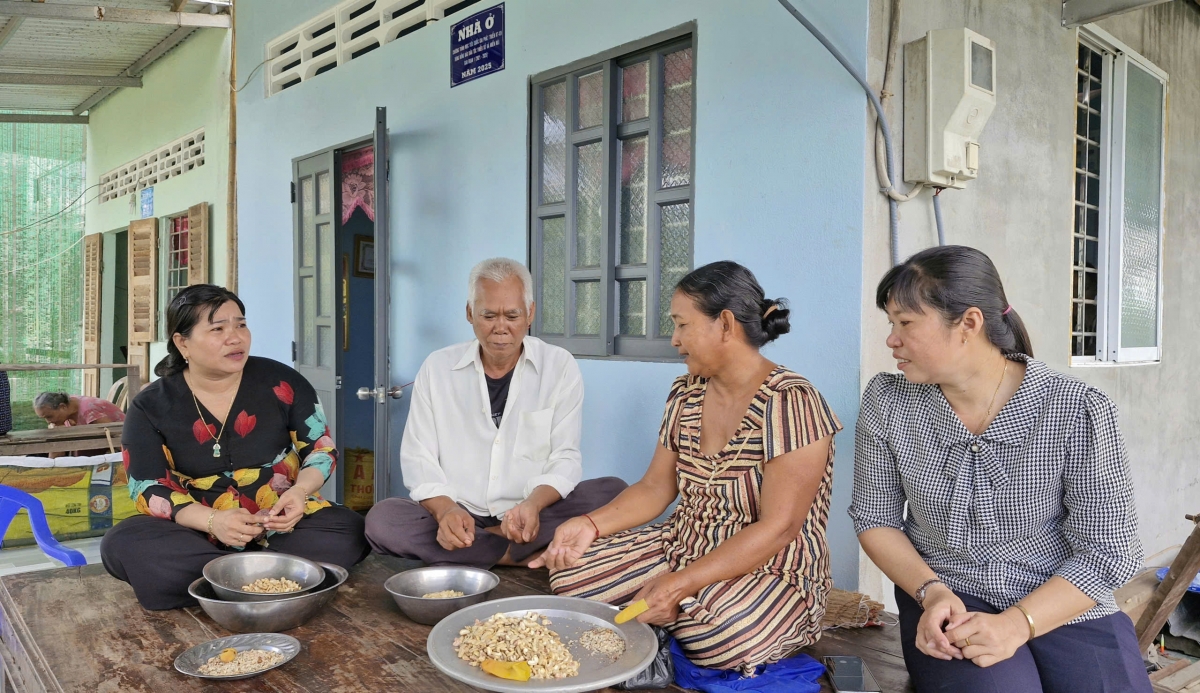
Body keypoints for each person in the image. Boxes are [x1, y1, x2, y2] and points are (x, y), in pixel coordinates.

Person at [850, 245, 1150, 693]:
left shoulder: (1076, 410)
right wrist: (931, 592)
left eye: (905, 323)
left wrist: (1016, 625)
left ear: (969, 323)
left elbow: (1111, 550)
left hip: (1064, 598)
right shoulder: (888, 401)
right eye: (890, 323)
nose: (892, 340)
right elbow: (876, 518)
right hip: (947, 597)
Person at [536, 261, 842, 674]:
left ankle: (691, 611)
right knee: (569, 577)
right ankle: (674, 610)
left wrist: (680, 584)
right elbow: (655, 488)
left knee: (717, 634)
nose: (675, 339)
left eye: (682, 325)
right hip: (683, 544)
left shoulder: (792, 402)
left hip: (771, 566)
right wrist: (589, 525)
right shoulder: (686, 392)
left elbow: (779, 528)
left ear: (726, 324)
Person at [100, 284, 369, 610]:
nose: (235, 337)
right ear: (183, 343)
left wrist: (300, 492)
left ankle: (219, 584)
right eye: (218, 329)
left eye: (241, 325)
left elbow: (321, 449)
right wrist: (213, 521)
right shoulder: (151, 405)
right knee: (123, 544)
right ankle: (277, 578)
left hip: (280, 524)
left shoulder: (281, 381)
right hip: (196, 530)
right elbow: (147, 486)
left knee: (349, 529)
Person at [364, 258, 626, 568]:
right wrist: (446, 511)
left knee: (614, 493)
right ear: (469, 313)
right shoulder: (438, 368)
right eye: (488, 315)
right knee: (383, 519)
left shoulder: (559, 366)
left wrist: (533, 504)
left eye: (512, 315)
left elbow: (565, 457)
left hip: (533, 513)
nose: (501, 327)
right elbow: (419, 457)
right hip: (461, 513)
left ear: (530, 313)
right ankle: (513, 554)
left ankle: (476, 548)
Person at [33, 391, 125, 427]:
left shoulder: (88, 411)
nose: (48, 421)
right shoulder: (70, 404)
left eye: (49, 416)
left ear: (62, 407)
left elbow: (111, 433)